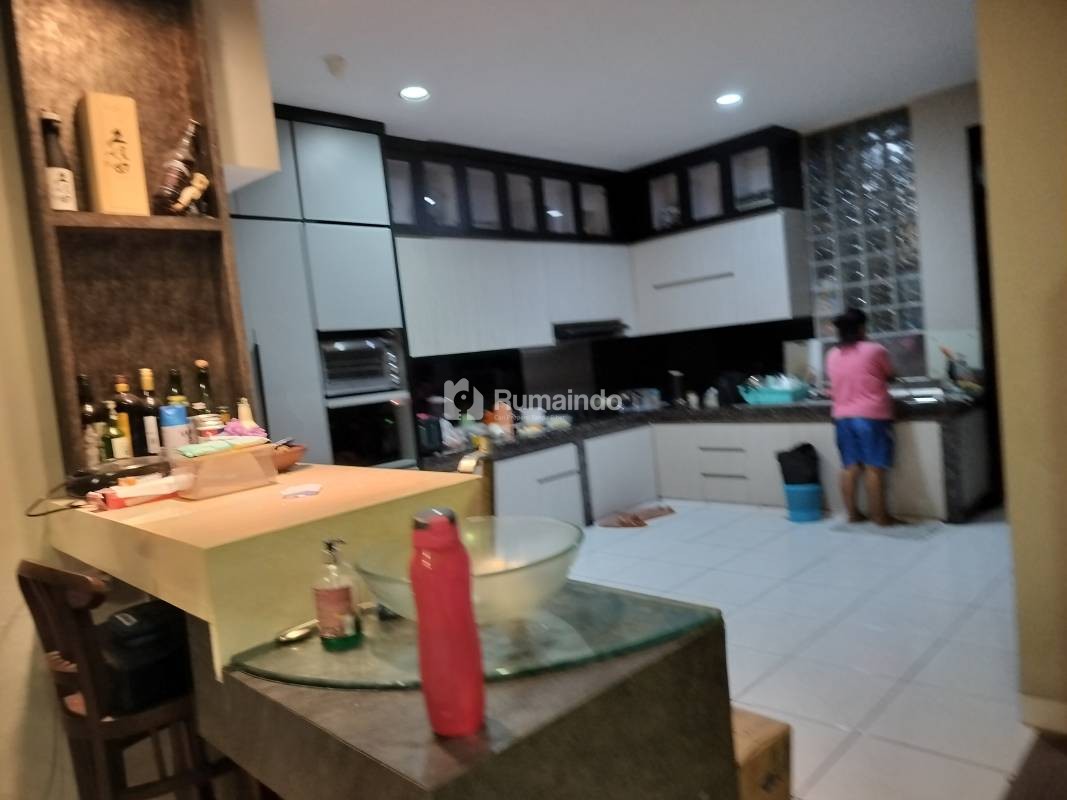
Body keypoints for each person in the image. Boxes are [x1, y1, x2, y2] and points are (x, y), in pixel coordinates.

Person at [825, 308, 898, 525]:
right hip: (871, 416)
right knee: (874, 467)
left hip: (842, 417)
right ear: (862, 328)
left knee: (850, 466)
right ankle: (880, 517)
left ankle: (853, 515)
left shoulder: (832, 354)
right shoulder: (875, 350)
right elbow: (890, 375)